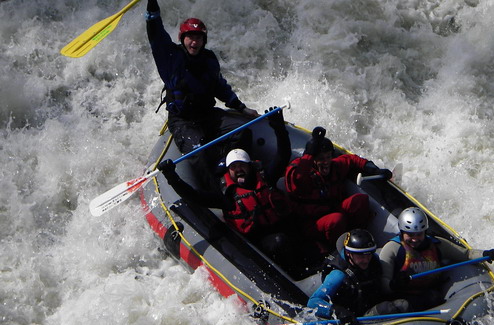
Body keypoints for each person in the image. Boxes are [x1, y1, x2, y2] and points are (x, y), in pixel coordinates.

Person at [146, 0, 259, 190]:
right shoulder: (170, 58)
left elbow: (220, 87)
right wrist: (152, 8)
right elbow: (156, 33)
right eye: (190, 37)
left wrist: (241, 107)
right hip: (182, 120)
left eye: (198, 38)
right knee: (198, 152)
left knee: (243, 130)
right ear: (183, 38)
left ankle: (230, 168)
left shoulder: (209, 59)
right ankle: (217, 193)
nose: (194, 42)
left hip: (208, 115)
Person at [157, 112, 295, 266]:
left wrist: (279, 127)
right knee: (279, 242)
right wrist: (171, 176)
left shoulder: (266, 178)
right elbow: (193, 196)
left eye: (242, 165)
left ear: (250, 166)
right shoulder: (227, 197)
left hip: (283, 227)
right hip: (260, 242)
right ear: (228, 171)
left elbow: (283, 155)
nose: (239, 170)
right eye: (234, 167)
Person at [284, 127, 392, 253]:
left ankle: (360, 240)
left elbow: (352, 160)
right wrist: (309, 154)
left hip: (334, 212)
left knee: (360, 200)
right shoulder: (299, 173)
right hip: (312, 224)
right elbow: (300, 178)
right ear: (313, 160)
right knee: (336, 220)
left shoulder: (334, 166)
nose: (326, 162)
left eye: (328, 157)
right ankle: (337, 252)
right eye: (321, 159)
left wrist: (373, 169)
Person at [379, 207, 494, 310]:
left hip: (428, 294)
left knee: (434, 297)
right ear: (402, 232)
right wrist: (394, 285)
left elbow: (466, 255)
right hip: (402, 297)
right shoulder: (392, 249)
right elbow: (383, 285)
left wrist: (486, 254)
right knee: (403, 305)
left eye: (419, 234)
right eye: (410, 235)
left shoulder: (437, 244)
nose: (415, 239)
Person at [307, 229, 408, 325]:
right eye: (361, 256)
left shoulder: (374, 260)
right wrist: (337, 311)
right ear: (348, 253)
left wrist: (395, 283)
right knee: (388, 308)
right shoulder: (338, 275)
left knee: (404, 304)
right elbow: (312, 302)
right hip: (354, 321)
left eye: (368, 255)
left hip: (369, 309)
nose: (366, 260)